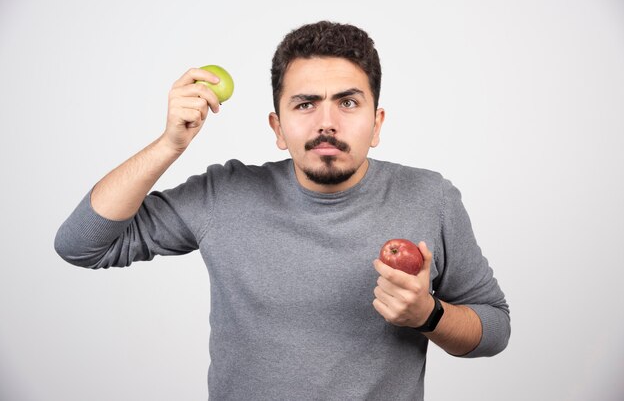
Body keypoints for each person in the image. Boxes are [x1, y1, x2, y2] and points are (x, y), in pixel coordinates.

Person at [55, 21, 510, 400]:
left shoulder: (430, 197)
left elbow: (493, 327)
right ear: (277, 126)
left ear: (377, 123)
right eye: (305, 104)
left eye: (348, 103)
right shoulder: (224, 193)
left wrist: (429, 315)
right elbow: (81, 245)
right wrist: (170, 143)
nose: (326, 122)